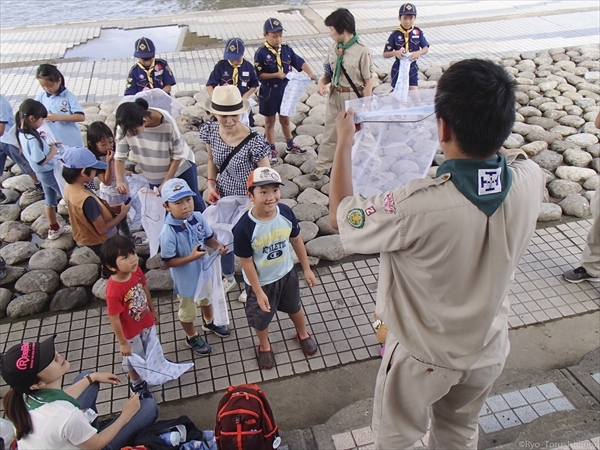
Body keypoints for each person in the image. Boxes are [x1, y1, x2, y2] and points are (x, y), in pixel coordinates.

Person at [329, 59, 545, 448]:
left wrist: (344, 142)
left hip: (421, 358)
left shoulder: (416, 207)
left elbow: (341, 215)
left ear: (442, 127)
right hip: (488, 345)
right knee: (459, 431)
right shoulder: (531, 180)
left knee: (396, 438)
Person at [0, 335, 158, 450]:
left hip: (65, 437)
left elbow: (60, 399)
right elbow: (97, 444)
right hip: (92, 446)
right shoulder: (66, 416)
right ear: (38, 383)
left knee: (86, 377)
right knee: (149, 407)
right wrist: (126, 414)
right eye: (47, 361)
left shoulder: (24, 395)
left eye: (47, 351)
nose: (55, 355)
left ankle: (91, 427)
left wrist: (92, 377)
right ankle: (99, 430)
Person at [233, 167, 318, 370]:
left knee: (295, 306)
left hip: (287, 273)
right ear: (250, 195)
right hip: (261, 282)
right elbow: (246, 262)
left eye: (274, 190)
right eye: (263, 192)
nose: (271, 197)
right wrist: (258, 291)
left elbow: (297, 240)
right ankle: (264, 346)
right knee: (261, 319)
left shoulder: (286, 213)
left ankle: (303, 333)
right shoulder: (244, 227)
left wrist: (306, 268)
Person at [201, 85, 271, 297]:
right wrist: (211, 182)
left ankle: (253, 283)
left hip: (250, 196)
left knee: (249, 242)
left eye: (234, 114)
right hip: (225, 193)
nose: (230, 120)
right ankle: (229, 276)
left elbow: (266, 173)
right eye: (224, 115)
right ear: (214, 113)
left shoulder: (254, 140)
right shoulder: (211, 131)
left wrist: (256, 201)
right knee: (222, 239)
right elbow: (212, 160)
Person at [159, 178, 231, 356]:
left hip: (204, 272)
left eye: (188, 200)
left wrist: (218, 245)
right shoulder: (168, 233)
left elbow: (208, 238)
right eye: (178, 202)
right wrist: (190, 258)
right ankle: (191, 335)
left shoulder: (197, 217)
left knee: (206, 299)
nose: (186, 206)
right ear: (166, 206)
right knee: (188, 310)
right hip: (186, 281)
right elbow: (166, 262)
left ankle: (209, 322)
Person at [311, 8, 373, 181]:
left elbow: (368, 80)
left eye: (332, 29)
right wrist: (321, 83)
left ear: (343, 29)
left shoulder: (362, 51)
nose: (330, 33)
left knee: (355, 133)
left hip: (353, 97)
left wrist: (365, 103)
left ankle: (362, 164)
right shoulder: (333, 48)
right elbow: (328, 73)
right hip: (335, 95)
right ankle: (322, 166)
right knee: (330, 131)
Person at [114, 98, 206, 212]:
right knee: (165, 209)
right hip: (154, 175)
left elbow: (178, 156)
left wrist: (166, 181)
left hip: (180, 168)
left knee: (192, 201)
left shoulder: (167, 123)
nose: (129, 135)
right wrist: (120, 180)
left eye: (132, 132)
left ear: (144, 121)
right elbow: (119, 157)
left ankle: (204, 227)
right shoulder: (125, 125)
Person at [100, 235, 158, 399]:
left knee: (148, 349)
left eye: (132, 253)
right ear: (111, 266)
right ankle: (136, 384)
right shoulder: (113, 290)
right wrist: (123, 342)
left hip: (145, 322)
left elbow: (145, 290)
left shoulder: (136, 272)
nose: (133, 259)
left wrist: (152, 311)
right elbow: (114, 318)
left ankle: (149, 370)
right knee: (132, 358)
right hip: (130, 334)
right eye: (125, 257)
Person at [254, 18, 317, 164]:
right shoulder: (261, 53)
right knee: (269, 122)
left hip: (285, 91)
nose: (278, 39)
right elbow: (259, 75)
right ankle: (271, 149)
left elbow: (300, 62)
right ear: (265, 35)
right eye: (274, 36)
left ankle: (290, 144)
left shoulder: (286, 50)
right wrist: (276, 75)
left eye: (280, 36)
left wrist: (310, 73)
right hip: (269, 91)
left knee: (285, 119)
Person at [62, 147, 135, 255]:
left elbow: (88, 214)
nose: (95, 173)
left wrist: (111, 208)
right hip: (102, 241)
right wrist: (123, 213)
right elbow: (103, 229)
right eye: (94, 170)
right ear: (83, 172)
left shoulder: (69, 187)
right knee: (112, 260)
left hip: (87, 237)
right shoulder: (87, 200)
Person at [16, 99, 71, 240]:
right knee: (69, 198)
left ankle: (54, 228)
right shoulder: (31, 138)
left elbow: (38, 153)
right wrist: (52, 151)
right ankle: (80, 227)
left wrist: (50, 145)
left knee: (50, 200)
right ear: (32, 118)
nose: (43, 122)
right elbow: (40, 160)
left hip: (42, 175)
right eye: (42, 119)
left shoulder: (23, 133)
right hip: (48, 172)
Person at [86, 122, 145, 245]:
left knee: (123, 218)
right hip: (111, 195)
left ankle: (128, 237)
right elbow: (106, 181)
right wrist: (108, 162)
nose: (109, 146)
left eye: (111, 142)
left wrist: (124, 171)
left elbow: (117, 166)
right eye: (103, 144)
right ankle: (116, 242)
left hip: (121, 190)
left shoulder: (114, 152)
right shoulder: (96, 161)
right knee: (115, 219)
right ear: (92, 144)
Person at [0, 94, 44, 204]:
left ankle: (40, 185)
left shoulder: (2, 104)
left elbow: (1, 130)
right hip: (3, 140)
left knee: (25, 164)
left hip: (10, 140)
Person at [206, 37, 259, 126]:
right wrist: (215, 98)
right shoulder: (221, 66)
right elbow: (210, 85)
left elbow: (254, 85)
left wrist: (246, 95)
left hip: (240, 103)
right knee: (223, 125)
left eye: (237, 58)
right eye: (231, 58)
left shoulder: (248, 67)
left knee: (245, 126)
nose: (234, 61)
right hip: (224, 103)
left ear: (242, 54)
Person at [35, 64, 85, 148]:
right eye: (43, 86)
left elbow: (81, 117)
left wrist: (58, 117)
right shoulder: (41, 96)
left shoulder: (69, 97)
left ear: (59, 81)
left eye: (50, 86)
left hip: (71, 141)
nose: (47, 89)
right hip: (53, 141)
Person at [383, 3, 430, 90]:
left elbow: (425, 48)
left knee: (414, 94)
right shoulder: (395, 34)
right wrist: (395, 53)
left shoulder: (418, 32)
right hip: (398, 68)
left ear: (415, 18)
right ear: (399, 18)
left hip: (412, 67)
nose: (407, 21)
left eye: (410, 18)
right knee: (397, 95)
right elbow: (385, 54)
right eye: (404, 18)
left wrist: (418, 52)